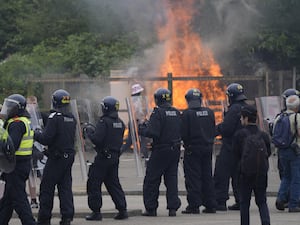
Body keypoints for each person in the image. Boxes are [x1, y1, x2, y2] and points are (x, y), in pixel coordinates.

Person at [34, 89, 77, 225]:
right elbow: (64, 139)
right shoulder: (71, 117)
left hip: (57, 159)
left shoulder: (54, 117)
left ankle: (44, 219)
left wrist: (36, 133)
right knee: (65, 188)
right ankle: (67, 217)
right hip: (68, 157)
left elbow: (46, 139)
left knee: (47, 188)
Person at [84, 96, 128, 221]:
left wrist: (89, 133)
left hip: (103, 157)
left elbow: (98, 140)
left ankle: (96, 211)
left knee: (94, 183)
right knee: (113, 183)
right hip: (114, 157)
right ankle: (122, 209)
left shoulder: (104, 122)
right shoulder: (120, 123)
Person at [139, 88, 182, 217]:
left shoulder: (158, 113)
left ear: (157, 99)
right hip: (175, 149)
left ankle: (151, 208)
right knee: (171, 179)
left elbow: (153, 132)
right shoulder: (176, 112)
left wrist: (143, 129)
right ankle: (173, 208)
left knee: (152, 179)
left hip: (161, 150)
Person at [0, 94, 36, 225]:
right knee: (7, 201)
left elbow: (11, 146)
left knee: (19, 200)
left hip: (16, 166)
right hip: (20, 165)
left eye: (10, 106)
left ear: (16, 108)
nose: (7, 108)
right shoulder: (24, 120)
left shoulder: (16, 123)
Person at [233, 104, 271, 225]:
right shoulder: (263, 135)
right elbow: (268, 153)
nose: (240, 120)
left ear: (246, 118)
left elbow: (235, 154)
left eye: (241, 118)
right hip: (261, 173)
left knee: (244, 203)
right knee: (262, 202)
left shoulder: (240, 135)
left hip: (245, 173)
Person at [181, 88, 217, 214]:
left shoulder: (187, 114)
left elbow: (183, 133)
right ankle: (211, 204)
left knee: (193, 178)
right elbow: (214, 129)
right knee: (207, 176)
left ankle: (194, 205)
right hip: (208, 148)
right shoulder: (209, 112)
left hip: (192, 149)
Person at [214, 83, 248, 211]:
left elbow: (227, 128)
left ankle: (220, 202)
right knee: (238, 175)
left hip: (230, 146)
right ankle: (240, 200)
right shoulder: (247, 107)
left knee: (221, 173)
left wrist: (214, 130)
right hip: (244, 147)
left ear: (231, 96)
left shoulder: (234, 109)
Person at [274, 95, 300, 212]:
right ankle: (293, 203)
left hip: (282, 151)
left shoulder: (279, 117)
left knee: (286, 176)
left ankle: (281, 198)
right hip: (294, 151)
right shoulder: (296, 117)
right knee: (296, 177)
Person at [121, 83, 149, 160]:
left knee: (131, 140)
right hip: (137, 122)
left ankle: (119, 153)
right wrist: (143, 119)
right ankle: (146, 158)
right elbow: (138, 112)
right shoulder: (136, 101)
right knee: (143, 139)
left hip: (133, 122)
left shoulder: (132, 100)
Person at [26, 95, 44, 209]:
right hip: (30, 149)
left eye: (34, 103)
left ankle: (43, 197)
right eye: (30, 103)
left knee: (42, 175)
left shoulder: (40, 116)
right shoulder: (26, 117)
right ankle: (33, 199)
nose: (32, 106)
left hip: (39, 149)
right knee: (31, 175)